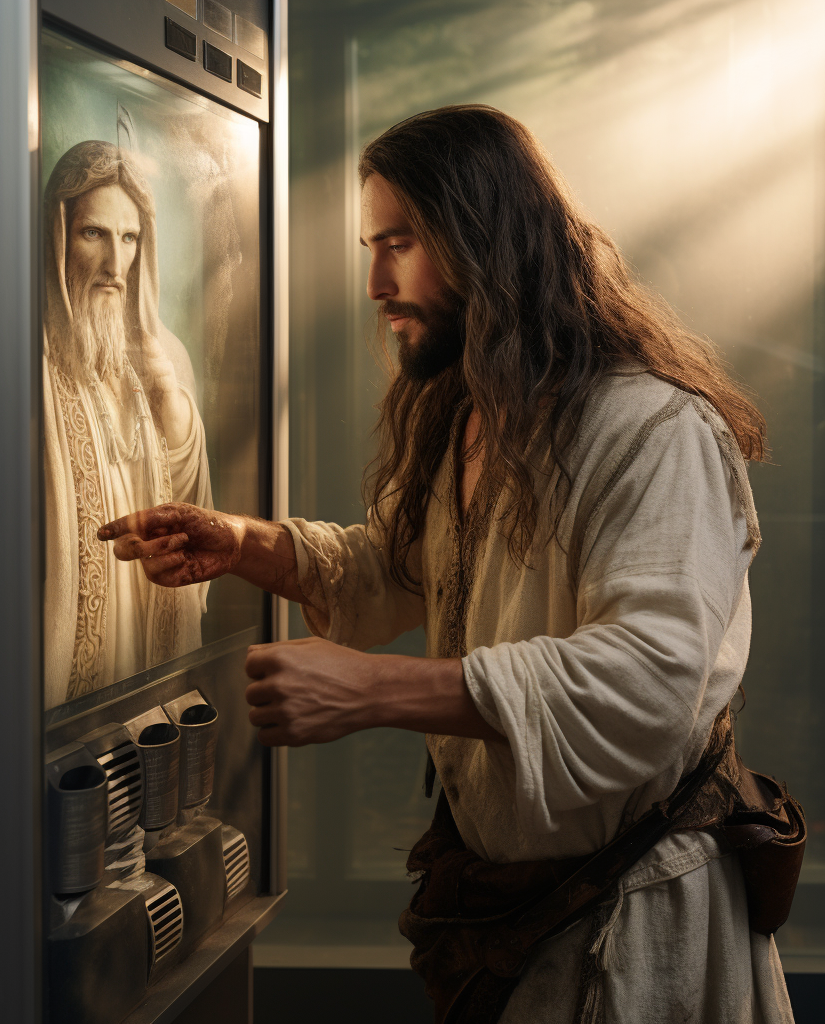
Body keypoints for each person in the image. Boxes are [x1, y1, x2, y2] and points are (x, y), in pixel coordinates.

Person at [97, 107, 796, 1023]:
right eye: (369, 245)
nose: (377, 281)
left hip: (638, 930)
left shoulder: (652, 428)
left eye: (401, 242)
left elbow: (649, 680)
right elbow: (395, 568)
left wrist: (374, 691)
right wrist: (243, 543)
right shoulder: (476, 412)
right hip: (517, 918)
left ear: (485, 236)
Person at [43, 140, 212, 709]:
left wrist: (170, 401)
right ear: (57, 236)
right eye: (95, 233)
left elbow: (195, 505)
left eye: (130, 238)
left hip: (149, 633)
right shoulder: (27, 362)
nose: (116, 265)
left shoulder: (163, 356)